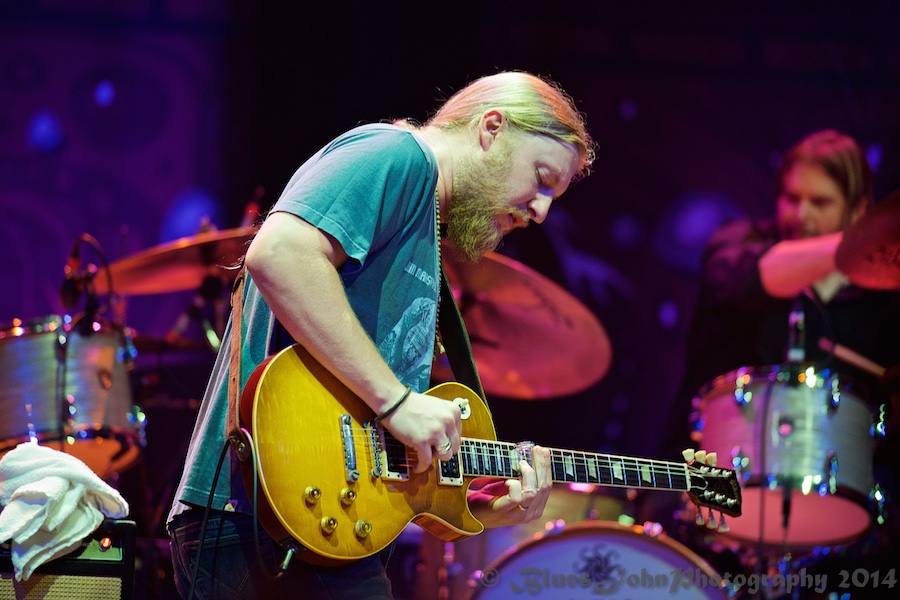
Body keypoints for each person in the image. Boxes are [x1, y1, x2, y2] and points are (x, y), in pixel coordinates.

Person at [166, 71, 595, 600]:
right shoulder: (396, 154)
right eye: (542, 177)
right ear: (491, 128)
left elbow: (368, 444)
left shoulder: (425, 231)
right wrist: (395, 401)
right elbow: (277, 254)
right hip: (251, 519)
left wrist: (477, 504)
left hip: (326, 526)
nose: (541, 210)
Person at [654, 129, 900, 594]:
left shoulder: (884, 300)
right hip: (705, 475)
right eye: (791, 197)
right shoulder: (737, 243)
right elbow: (759, 276)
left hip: (838, 498)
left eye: (820, 202)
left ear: (859, 204)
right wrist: (865, 240)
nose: (800, 215)